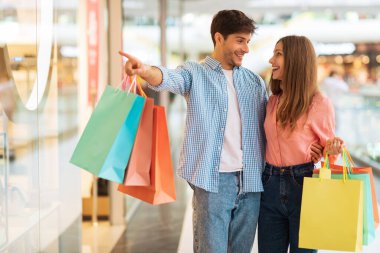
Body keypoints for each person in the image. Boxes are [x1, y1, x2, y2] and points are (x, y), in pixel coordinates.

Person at [120, 9, 267, 253]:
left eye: (248, 42)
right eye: (240, 41)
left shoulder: (254, 83)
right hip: (213, 182)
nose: (246, 49)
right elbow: (167, 78)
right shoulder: (194, 73)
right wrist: (144, 70)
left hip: (251, 182)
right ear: (219, 38)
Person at [258, 35, 343, 253]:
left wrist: (328, 151)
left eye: (278, 54)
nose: (271, 60)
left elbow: (330, 153)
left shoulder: (319, 103)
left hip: (304, 186)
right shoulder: (272, 102)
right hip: (269, 184)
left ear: (295, 59)